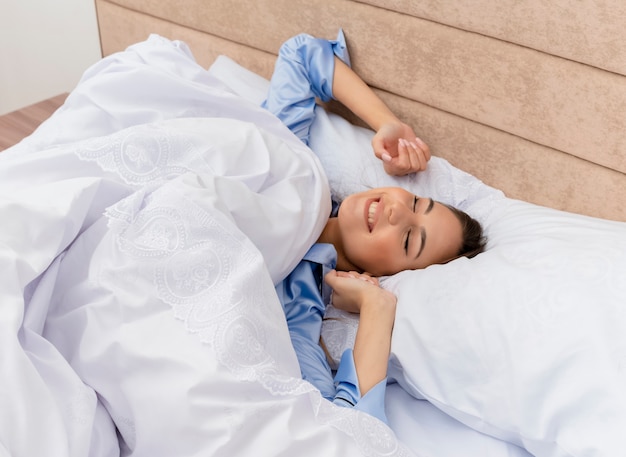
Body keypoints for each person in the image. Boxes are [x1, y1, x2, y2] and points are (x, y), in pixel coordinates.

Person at [263, 31, 486, 424]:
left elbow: (345, 430)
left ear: (377, 275)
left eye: (408, 239)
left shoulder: (299, 304)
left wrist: (376, 307)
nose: (398, 211)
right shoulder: (296, 164)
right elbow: (301, 56)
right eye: (416, 201)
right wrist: (389, 124)